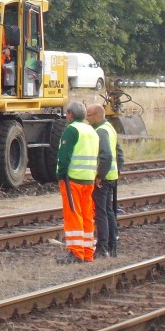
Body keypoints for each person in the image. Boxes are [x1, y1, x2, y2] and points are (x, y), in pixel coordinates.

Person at [55, 100, 100, 262]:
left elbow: (64, 156)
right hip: (88, 179)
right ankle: (88, 252)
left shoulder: (71, 130)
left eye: (67, 113)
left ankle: (76, 252)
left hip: (72, 179)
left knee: (73, 214)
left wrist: (60, 174)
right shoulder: (91, 131)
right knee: (87, 215)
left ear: (70, 114)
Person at [86, 102, 123, 257]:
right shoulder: (110, 128)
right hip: (111, 176)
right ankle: (112, 246)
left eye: (89, 116)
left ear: (98, 115)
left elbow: (107, 155)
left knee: (101, 213)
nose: (87, 119)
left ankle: (102, 248)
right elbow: (119, 154)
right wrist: (117, 172)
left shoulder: (101, 131)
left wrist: (100, 175)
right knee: (108, 212)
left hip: (104, 178)